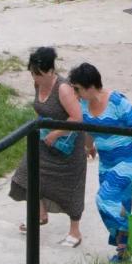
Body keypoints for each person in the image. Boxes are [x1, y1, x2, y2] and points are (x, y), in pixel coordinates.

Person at [8, 47, 93, 247]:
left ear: (49, 71)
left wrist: (56, 133)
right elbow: (40, 109)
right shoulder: (38, 84)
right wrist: (37, 129)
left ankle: (75, 231)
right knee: (27, 173)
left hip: (67, 145)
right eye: (31, 72)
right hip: (45, 140)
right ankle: (39, 213)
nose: (34, 77)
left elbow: (77, 118)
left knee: (70, 187)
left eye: (37, 74)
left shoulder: (63, 88)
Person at [69, 62, 132, 263]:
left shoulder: (117, 102)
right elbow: (88, 129)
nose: (75, 93)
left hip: (130, 157)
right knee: (121, 203)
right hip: (107, 160)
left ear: (91, 87)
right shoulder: (83, 105)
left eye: (78, 89)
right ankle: (124, 252)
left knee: (104, 198)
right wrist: (89, 146)